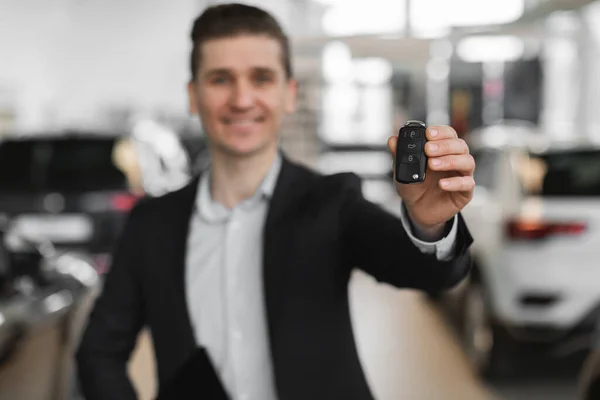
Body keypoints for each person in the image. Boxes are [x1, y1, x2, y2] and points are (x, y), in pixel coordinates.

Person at [75, 3, 476, 400]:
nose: (242, 99)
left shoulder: (332, 202)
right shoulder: (152, 223)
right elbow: (98, 353)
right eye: (220, 79)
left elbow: (425, 272)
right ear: (193, 96)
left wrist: (430, 225)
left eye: (261, 78)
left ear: (289, 93)